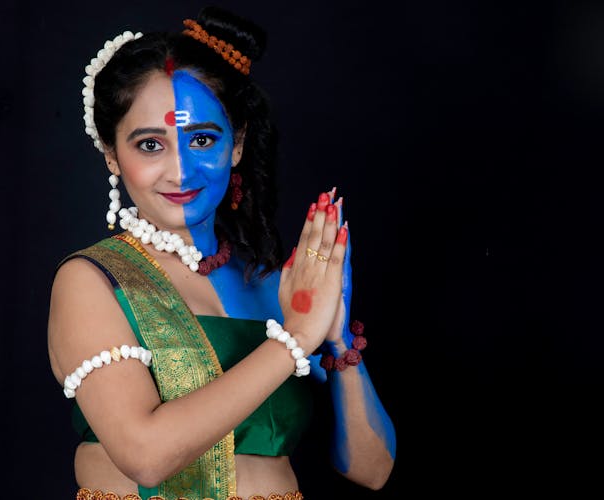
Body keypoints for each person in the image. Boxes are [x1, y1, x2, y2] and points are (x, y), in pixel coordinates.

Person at [47, 6, 396, 499]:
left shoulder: (273, 285)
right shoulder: (94, 281)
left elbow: (371, 469)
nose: (181, 171)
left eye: (203, 139)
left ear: (237, 145)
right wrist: (294, 340)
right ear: (110, 153)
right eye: (150, 145)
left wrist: (337, 343)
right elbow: (146, 457)